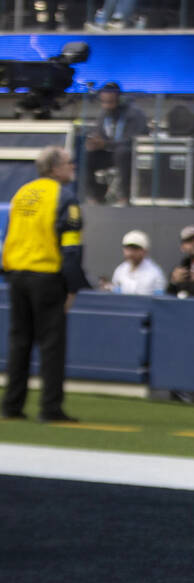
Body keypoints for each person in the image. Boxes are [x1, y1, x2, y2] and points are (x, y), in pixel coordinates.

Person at [2, 146, 88, 423]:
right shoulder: (65, 197)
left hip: (17, 275)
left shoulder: (21, 193)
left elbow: (9, 236)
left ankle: (11, 405)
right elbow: (71, 247)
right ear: (55, 169)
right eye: (68, 163)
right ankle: (50, 408)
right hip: (47, 277)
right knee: (52, 345)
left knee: (19, 343)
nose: (72, 166)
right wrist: (73, 286)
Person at [84, 82, 147, 205]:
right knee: (87, 156)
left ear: (120, 100)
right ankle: (95, 196)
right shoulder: (104, 115)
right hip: (109, 152)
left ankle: (125, 196)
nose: (106, 106)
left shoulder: (134, 114)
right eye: (103, 102)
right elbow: (99, 134)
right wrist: (94, 142)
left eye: (110, 102)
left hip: (129, 153)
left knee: (122, 153)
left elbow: (133, 139)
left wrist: (107, 144)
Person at [109, 231, 166, 295]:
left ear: (145, 251)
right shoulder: (120, 270)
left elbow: (159, 299)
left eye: (135, 249)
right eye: (128, 249)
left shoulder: (155, 273)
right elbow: (116, 295)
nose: (130, 253)